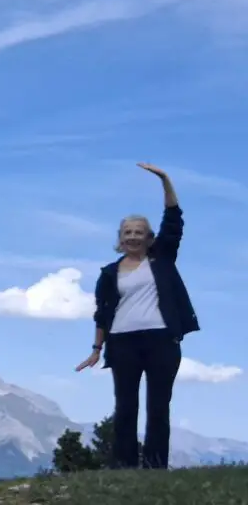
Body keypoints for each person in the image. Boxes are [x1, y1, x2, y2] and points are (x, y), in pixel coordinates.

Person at [75, 163, 199, 470]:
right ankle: (124, 467)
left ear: (148, 238)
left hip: (161, 340)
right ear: (120, 238)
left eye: (139, 233)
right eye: (128, 232)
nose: (133, 237)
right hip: (122, 342)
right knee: (125, 406)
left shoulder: (161, 259)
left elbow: (173, 220)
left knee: (158, 407)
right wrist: (96, 349)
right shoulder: (109, 273)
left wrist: (165, 180)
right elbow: (101, 314)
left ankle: (155, 467)